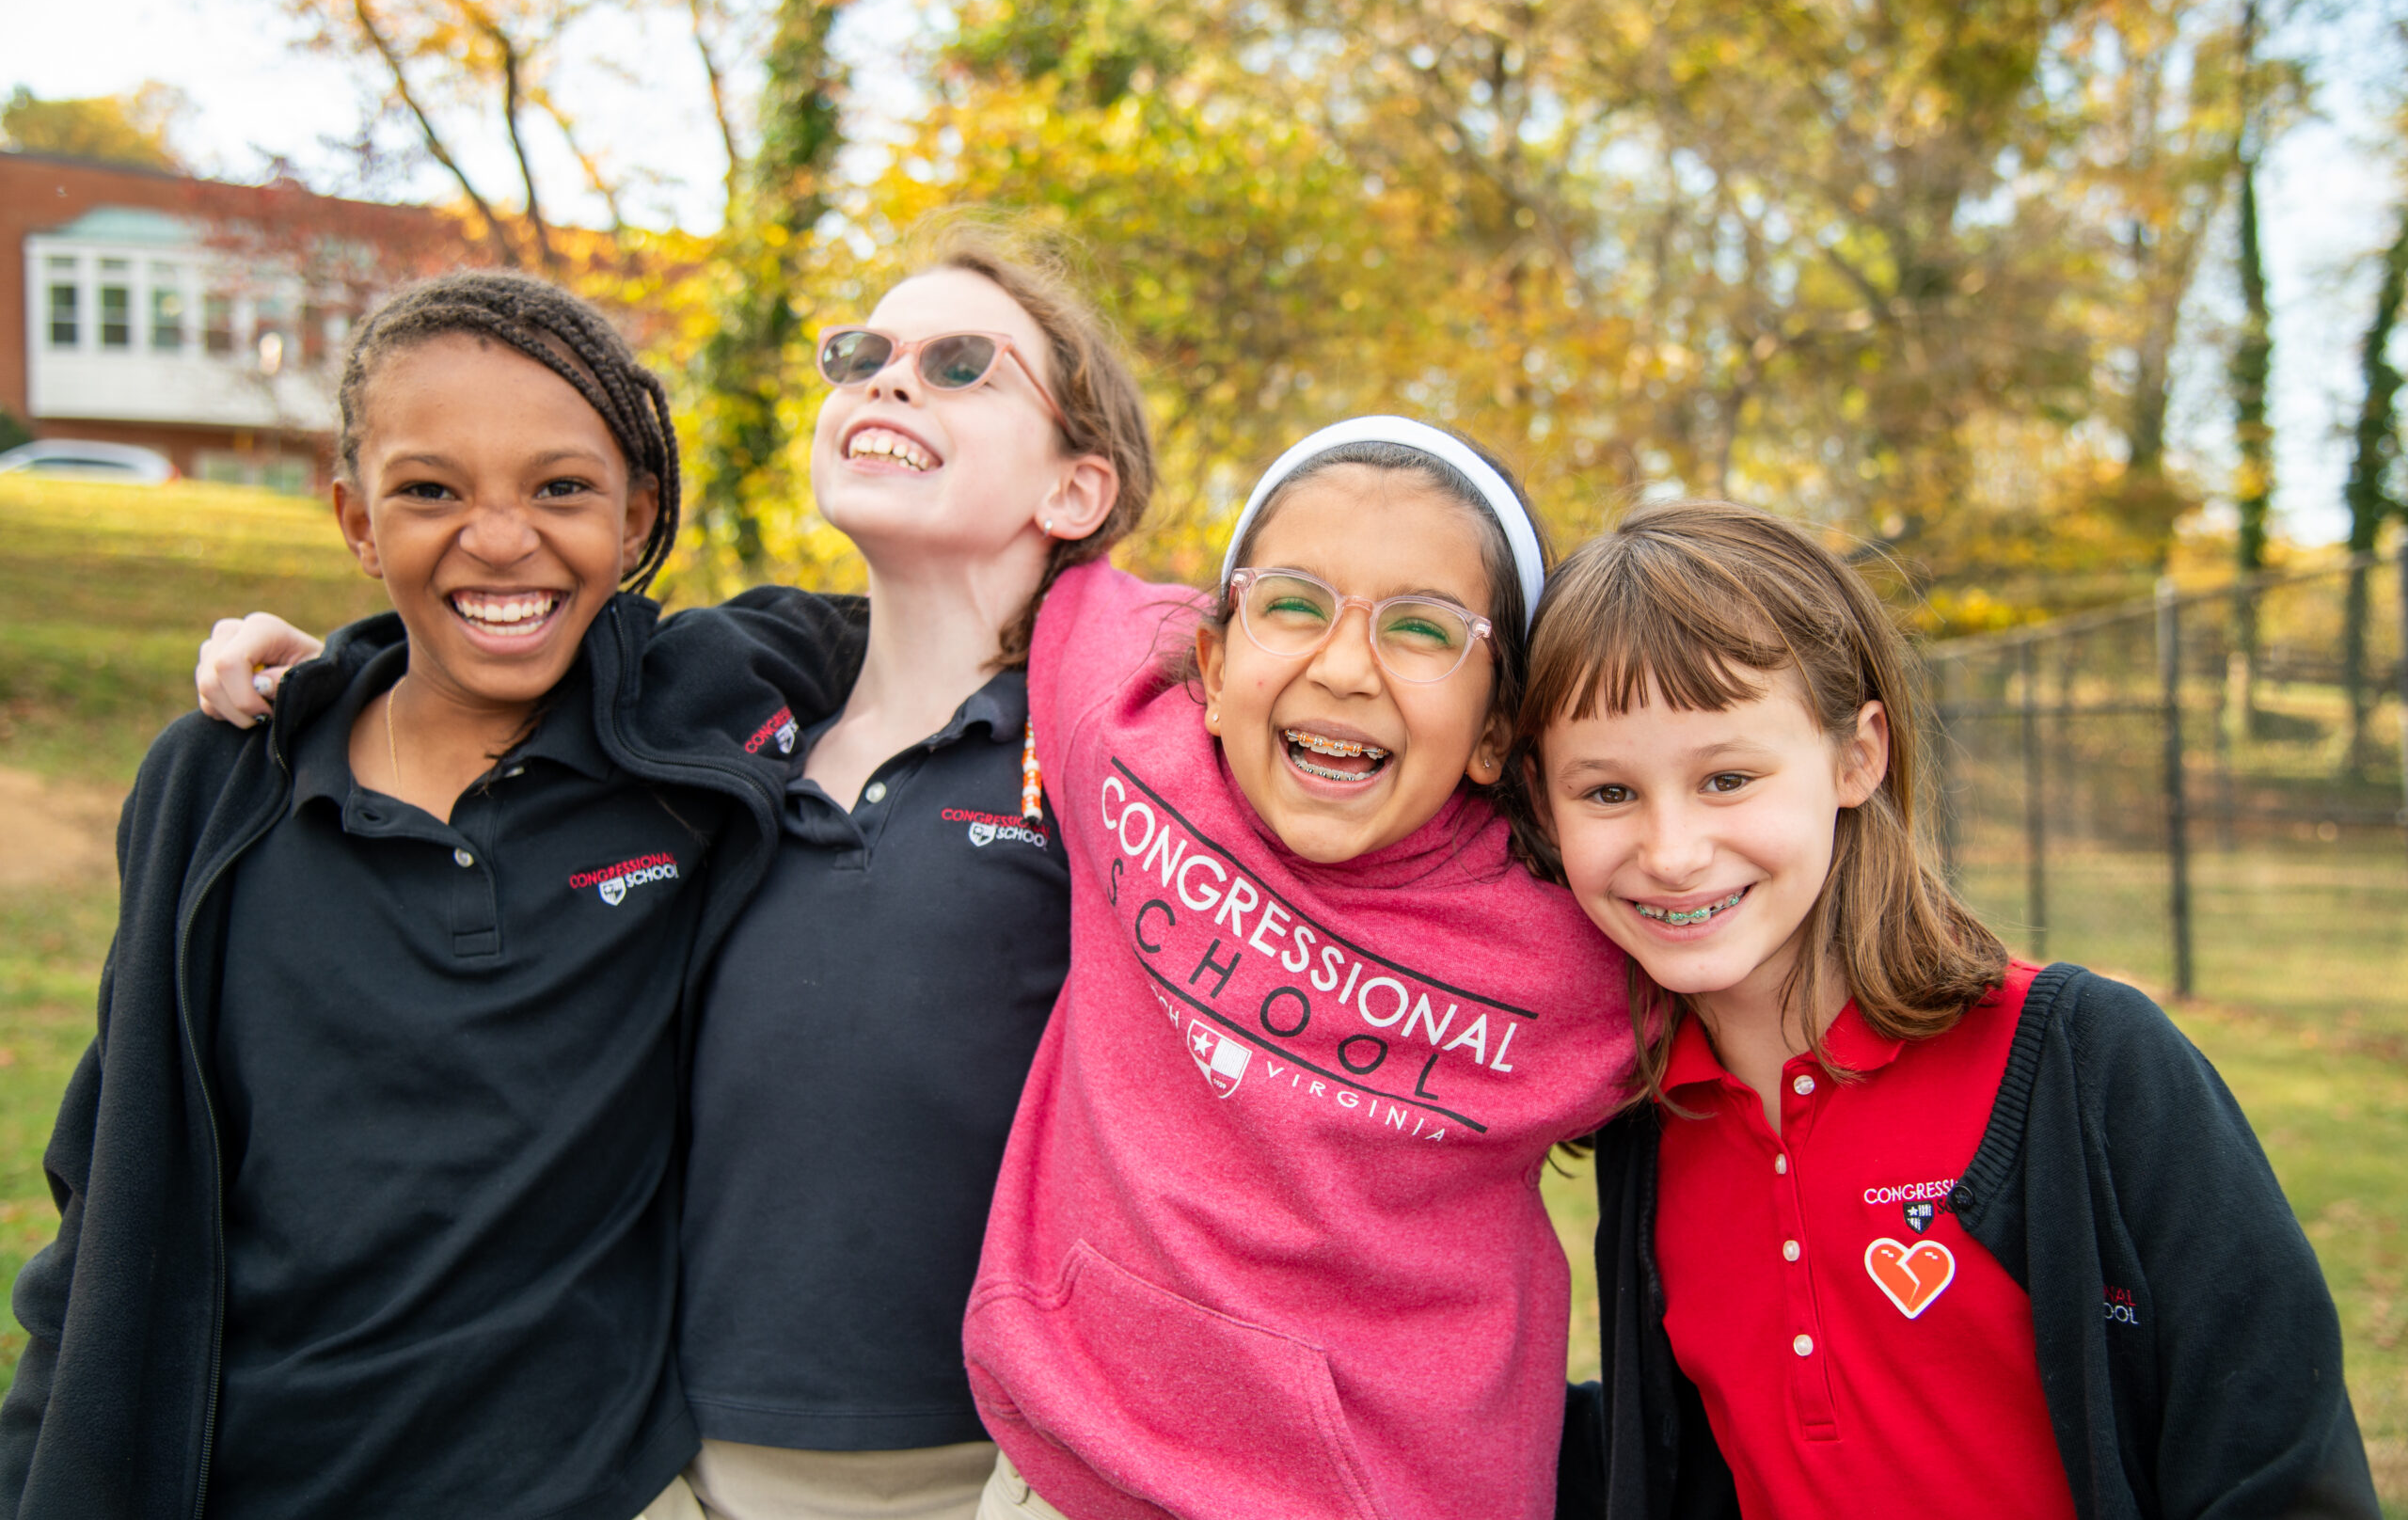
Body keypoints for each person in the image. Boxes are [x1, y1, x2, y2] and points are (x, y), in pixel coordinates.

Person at [188, 223, 1158, 1520]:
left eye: (961, 362)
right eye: (863, 353)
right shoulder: (716, 728)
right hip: (685, 1457)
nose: (885, 380)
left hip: (989, 1462)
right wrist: (326, 673)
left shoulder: (1121, 756)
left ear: (1075, 492)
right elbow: (491, 630)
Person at [0, 270, 861, 1520]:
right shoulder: (220, 781)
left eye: (561, 487)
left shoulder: (704, 712)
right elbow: (110, 1181)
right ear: (356, 521)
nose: (500, 537)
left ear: (638, 514)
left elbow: (979, 612)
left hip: (586, 1487)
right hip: (246, 1473)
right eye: (430, 491)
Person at [1526, 501, 2380, 1520]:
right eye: (1608, 793)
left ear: (1858, 755)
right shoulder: (1648, 1123)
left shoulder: (2089, 1063)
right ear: (1543, 801)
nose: (1670, 849)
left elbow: (2285, 1472)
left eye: (1728, 777)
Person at [964, 416, 1635, 1520]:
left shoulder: (1586, 938)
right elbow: (1068, 575)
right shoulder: (1126, 745)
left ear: (1497, 727)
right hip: (1067, 1476)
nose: (1344, 666)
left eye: (1422, 629)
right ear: (1215, 672)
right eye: (1293, 604)